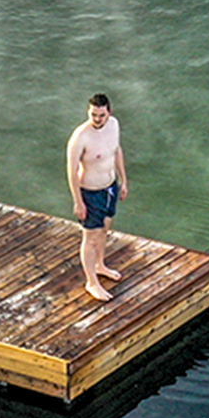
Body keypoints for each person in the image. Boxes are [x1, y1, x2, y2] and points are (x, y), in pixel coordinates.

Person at [66, 93, 129, 302]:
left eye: (101, 115)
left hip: (109, 187)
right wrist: (78, 201)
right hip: (90, 192)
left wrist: (123, 180)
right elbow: (71, 170)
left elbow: (116, 151)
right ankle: (91, 282)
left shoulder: (114, 125)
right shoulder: (80, 137)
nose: (97, 120)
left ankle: (100, 265)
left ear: (109, 112)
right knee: (90, 237)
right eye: (93, 115)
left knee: (105, 229)